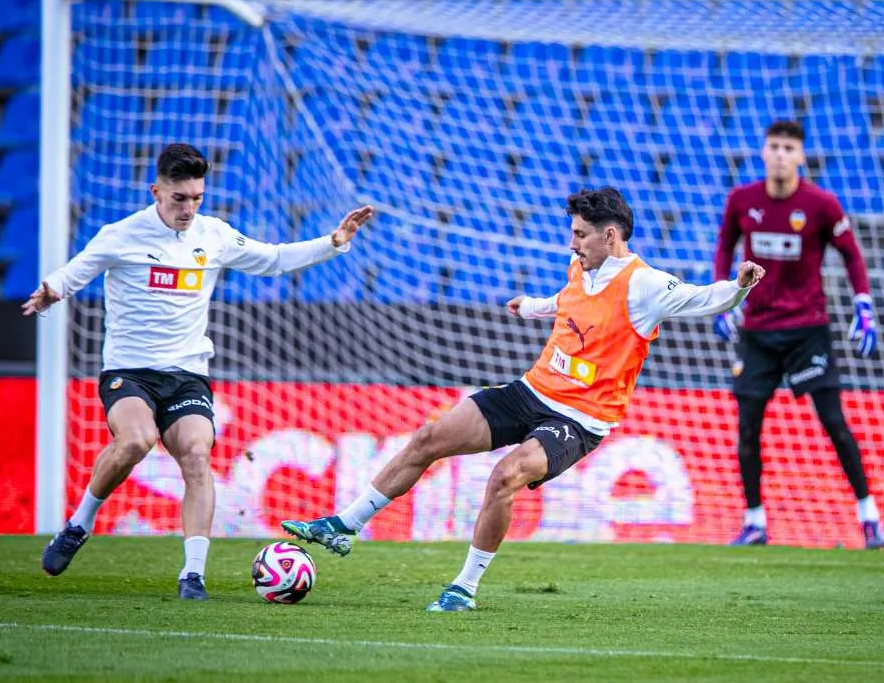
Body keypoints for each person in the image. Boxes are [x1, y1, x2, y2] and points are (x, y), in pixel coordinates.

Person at [283, 186, 765, 611]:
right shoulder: (582, 266)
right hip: (532, 391)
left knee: (505, 476)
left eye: (580, 234)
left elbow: (705, 298)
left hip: (579, 419)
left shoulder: (646, 285)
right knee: (429, 437)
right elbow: (569, 300)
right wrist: (533, 307)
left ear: (610, 235)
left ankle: (463, 588)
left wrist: (739, 286)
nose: (572, 243)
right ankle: (345, 524)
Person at [25, 143, 374, 599]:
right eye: (179, 198)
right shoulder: (121, 235)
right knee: (135, 441)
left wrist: (333, 242)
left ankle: (193, 575)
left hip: (188, 373)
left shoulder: (214, 235)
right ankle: (78, 525)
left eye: (196, 198)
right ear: (156, 192)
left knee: (196, 454)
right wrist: (52, 289)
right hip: (130, 370)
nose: (188, 208)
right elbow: (77, 271)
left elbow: (272, 260)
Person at [713, 120, 884, 549]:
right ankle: (755, 521)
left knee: (834, 422)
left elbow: (852, 255)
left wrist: (863, 304)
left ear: (801, 156)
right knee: (747, 426)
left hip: (808, 330)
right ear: (763, 151)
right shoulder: (742, 200)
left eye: (788, 148)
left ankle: (869, 516)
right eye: (774, 146)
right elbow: (724, 247)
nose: (780, 155)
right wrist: (722, 298)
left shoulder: (821, 204)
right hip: (758, 331)